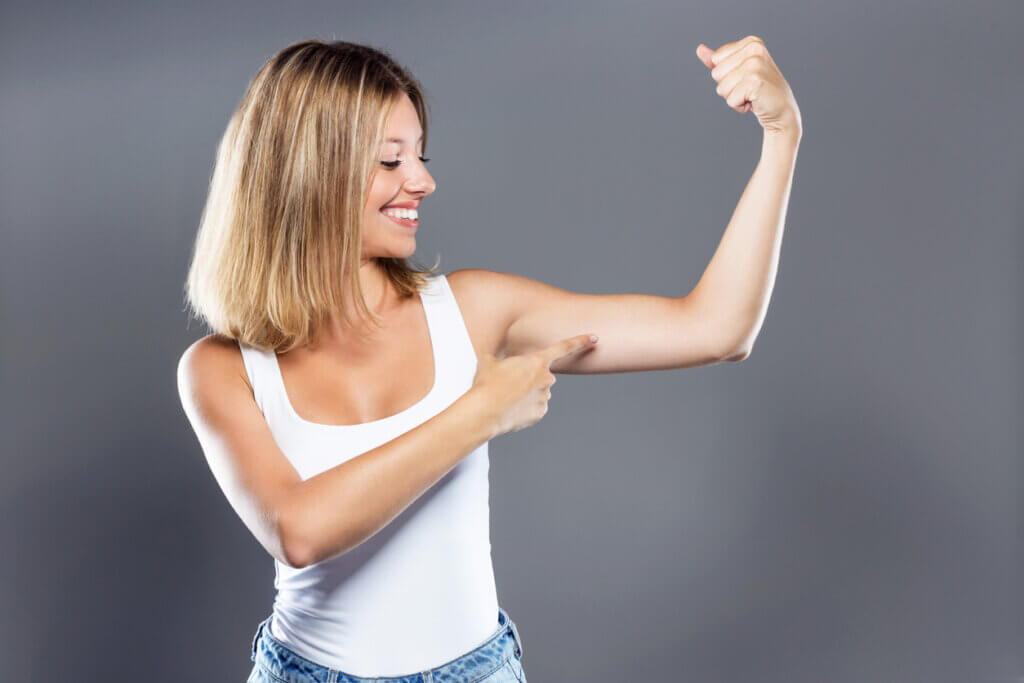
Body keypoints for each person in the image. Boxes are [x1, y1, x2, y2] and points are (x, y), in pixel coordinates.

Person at [176, 36, 801, 682]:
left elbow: (717, 328)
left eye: (420, 155)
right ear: (311, 171)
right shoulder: (221, 368)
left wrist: (781, 136)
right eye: (391, 161)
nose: (422, 180)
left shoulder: (473, 311)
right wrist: (481, 411)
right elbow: (299, 531)